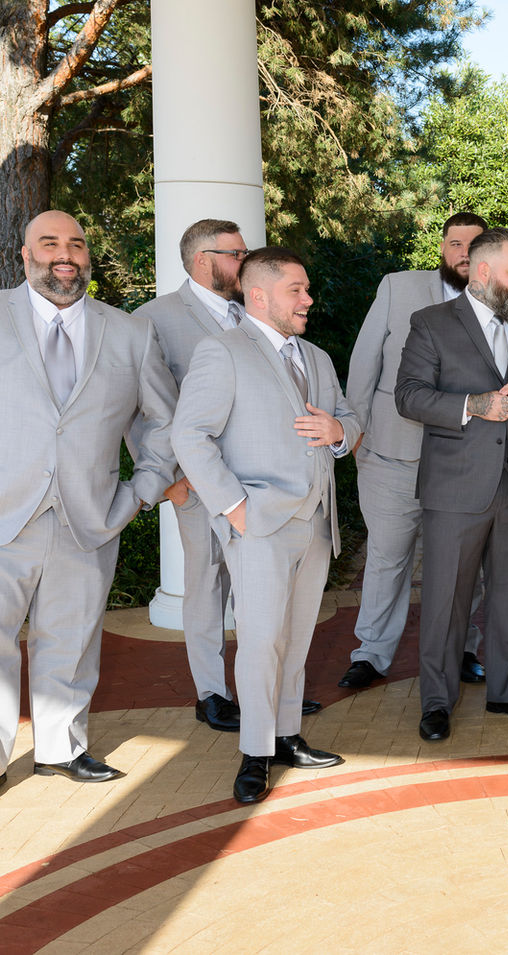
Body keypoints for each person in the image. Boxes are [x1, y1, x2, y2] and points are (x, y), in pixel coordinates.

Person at [171, 246, 358, 804]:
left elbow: (349, 418)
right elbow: (189, 435)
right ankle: (255, 753)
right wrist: (233, 507)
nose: (308, 299)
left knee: (296, 637)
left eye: (307, 289)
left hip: (316, 521)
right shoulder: (222, 351)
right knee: (259, 642)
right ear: (258, 295)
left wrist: (339, 432)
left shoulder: (317, 358)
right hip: (259, 524)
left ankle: (286, 736)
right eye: (296, 290)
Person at [0, 210, 176, 788]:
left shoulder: (129, 332)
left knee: (73, 637)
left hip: (90, 515)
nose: (65, 254)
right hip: (4, 511)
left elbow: (162, 422)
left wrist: (144, 489)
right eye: (49, 243)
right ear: (25, 255)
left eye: (76, 244)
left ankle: (61, 747)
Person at [394, 227, 508, 741]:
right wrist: (473, 405)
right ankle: (437, 701)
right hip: (455, 488)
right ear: (482, 272)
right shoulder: (431, 323)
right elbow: (408, 396)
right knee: (445, 599)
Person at [340, 212, 490, 691]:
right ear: (442, 248)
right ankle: (371, 654)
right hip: (390, 454)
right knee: (387, 559)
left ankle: (462, 648)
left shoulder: (501, 300)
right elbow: (364, 362)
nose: (463, 252)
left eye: (473, 244)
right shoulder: (397, 286)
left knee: (464, 564)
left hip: (465, 459)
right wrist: (357, 433)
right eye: (455, 243)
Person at [138, 218, 250, 732]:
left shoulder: (253, 311)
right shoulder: (153, 319)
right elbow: (138, 409)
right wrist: (166, 483)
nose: (245, 261)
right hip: (197, 483)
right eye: (236, 254)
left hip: (260, 479)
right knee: (205, 588)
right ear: (203, 260)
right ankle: (212, 694)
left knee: (259, 587)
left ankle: (264, 689)